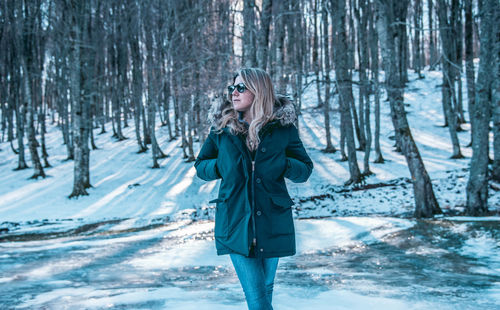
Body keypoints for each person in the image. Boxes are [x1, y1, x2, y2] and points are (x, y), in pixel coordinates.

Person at [194, 68, 313, 310]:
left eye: (240, 88)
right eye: (232, 88)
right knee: (258, 300)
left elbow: (305, 169)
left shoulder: (282, 128)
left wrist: (283, 164)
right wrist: (220, 166)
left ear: (258, 91)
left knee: (264, 293)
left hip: (273, 220)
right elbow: (201, 166)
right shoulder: (221, 128)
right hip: (235, 221)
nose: (233, 93)